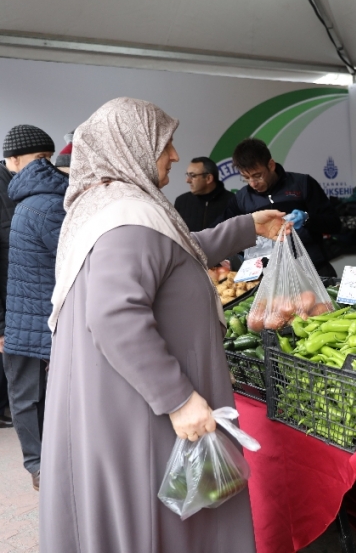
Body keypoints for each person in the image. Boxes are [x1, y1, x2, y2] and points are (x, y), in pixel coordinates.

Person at [40, 97, 286, 553]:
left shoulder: (117, 206)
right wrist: (178, 399)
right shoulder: (124, 221)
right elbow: (114, 315)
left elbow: (175, 252)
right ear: (130, 145)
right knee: (161, 528)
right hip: (142, 415)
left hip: (122, 404)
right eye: (165, 144)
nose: (175, 155)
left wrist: (246, 226)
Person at [4, 144, 69, 491]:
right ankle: (43, 465)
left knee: (28, 398)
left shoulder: (32, 204)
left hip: (27, 317)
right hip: (36, 315)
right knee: (37, 396)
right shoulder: (47, 202)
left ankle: (41, 466)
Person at [219, 138, 341, 276]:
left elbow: (335, 224)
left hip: (312, 269)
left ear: (271, 165)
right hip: (269, 277)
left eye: (257, 175)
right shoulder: (241, 199)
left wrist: (307, 218)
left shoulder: (302, 184)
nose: (253, 183)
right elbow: (225, 231)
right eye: (246, 178)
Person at [0, 126, 51, 431]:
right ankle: (37, 466)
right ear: (15, 159)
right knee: (26, 391)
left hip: (37, 302)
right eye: (40, 157)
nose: (46, 164)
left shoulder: (33, 189)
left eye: (49, 156)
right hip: (13, 309)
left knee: (41, 388)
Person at [174, 156, 234, 231]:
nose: (187, 180)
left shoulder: (232, 202)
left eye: (192, 176)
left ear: (208, 178)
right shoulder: (181, 201)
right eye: (187, 175)